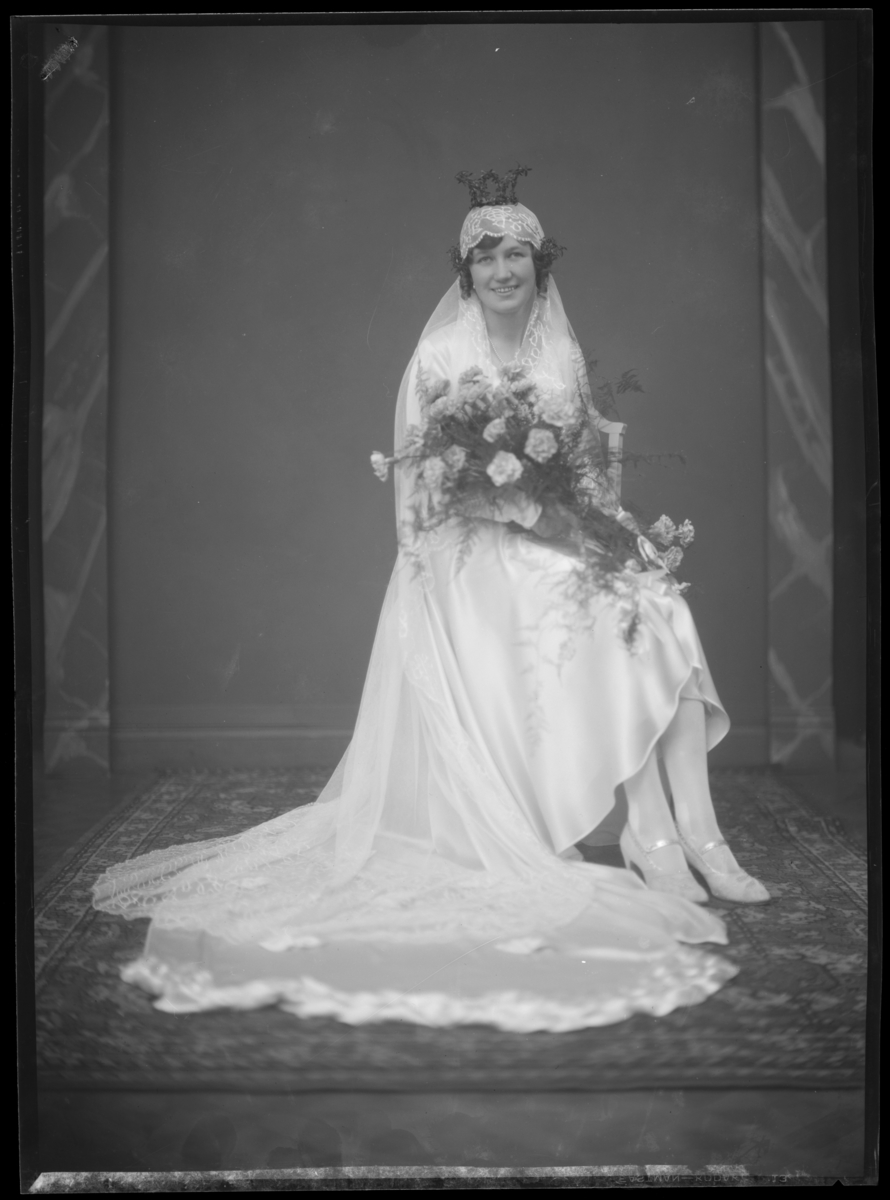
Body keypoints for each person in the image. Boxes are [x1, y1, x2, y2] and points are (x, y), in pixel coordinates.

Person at [92, 170, 767, 1032]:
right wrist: (521, 513)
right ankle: (656, 837)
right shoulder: (442, 356)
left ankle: (695, 835)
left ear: (539, 264)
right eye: (485, 258)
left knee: (656, 599)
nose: (502, 271)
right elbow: (424, 494)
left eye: (515, 255)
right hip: (463, 555)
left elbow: (583, 470)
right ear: (465, 272)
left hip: (546, 537)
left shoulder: (560, 354)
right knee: (608, 610)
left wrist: (609, 530)